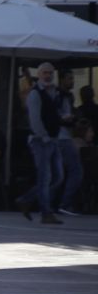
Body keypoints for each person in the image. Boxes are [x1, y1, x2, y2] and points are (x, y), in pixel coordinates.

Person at [17, 63, 66, 225]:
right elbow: (35, 120)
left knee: (57, 177)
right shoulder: (35, 94)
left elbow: (55, 113)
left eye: (50, 73)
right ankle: (46, 213)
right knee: (45, 177)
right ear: (39, 74)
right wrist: (44, 136)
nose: (48, 76)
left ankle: (26, 199)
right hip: (40, 141)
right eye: (45, 73)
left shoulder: (56, 93)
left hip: (53, 139)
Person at [56, 71, 84, 216]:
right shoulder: (59, 96)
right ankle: (65, 203)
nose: (72, 81)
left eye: (72, 78)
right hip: (63, 138)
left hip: (63, 137)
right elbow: (58, 117)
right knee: (76, 171)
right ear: (61, 79)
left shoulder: (68, 96)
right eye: (69, 78)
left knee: (58, 173)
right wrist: (70, 119)